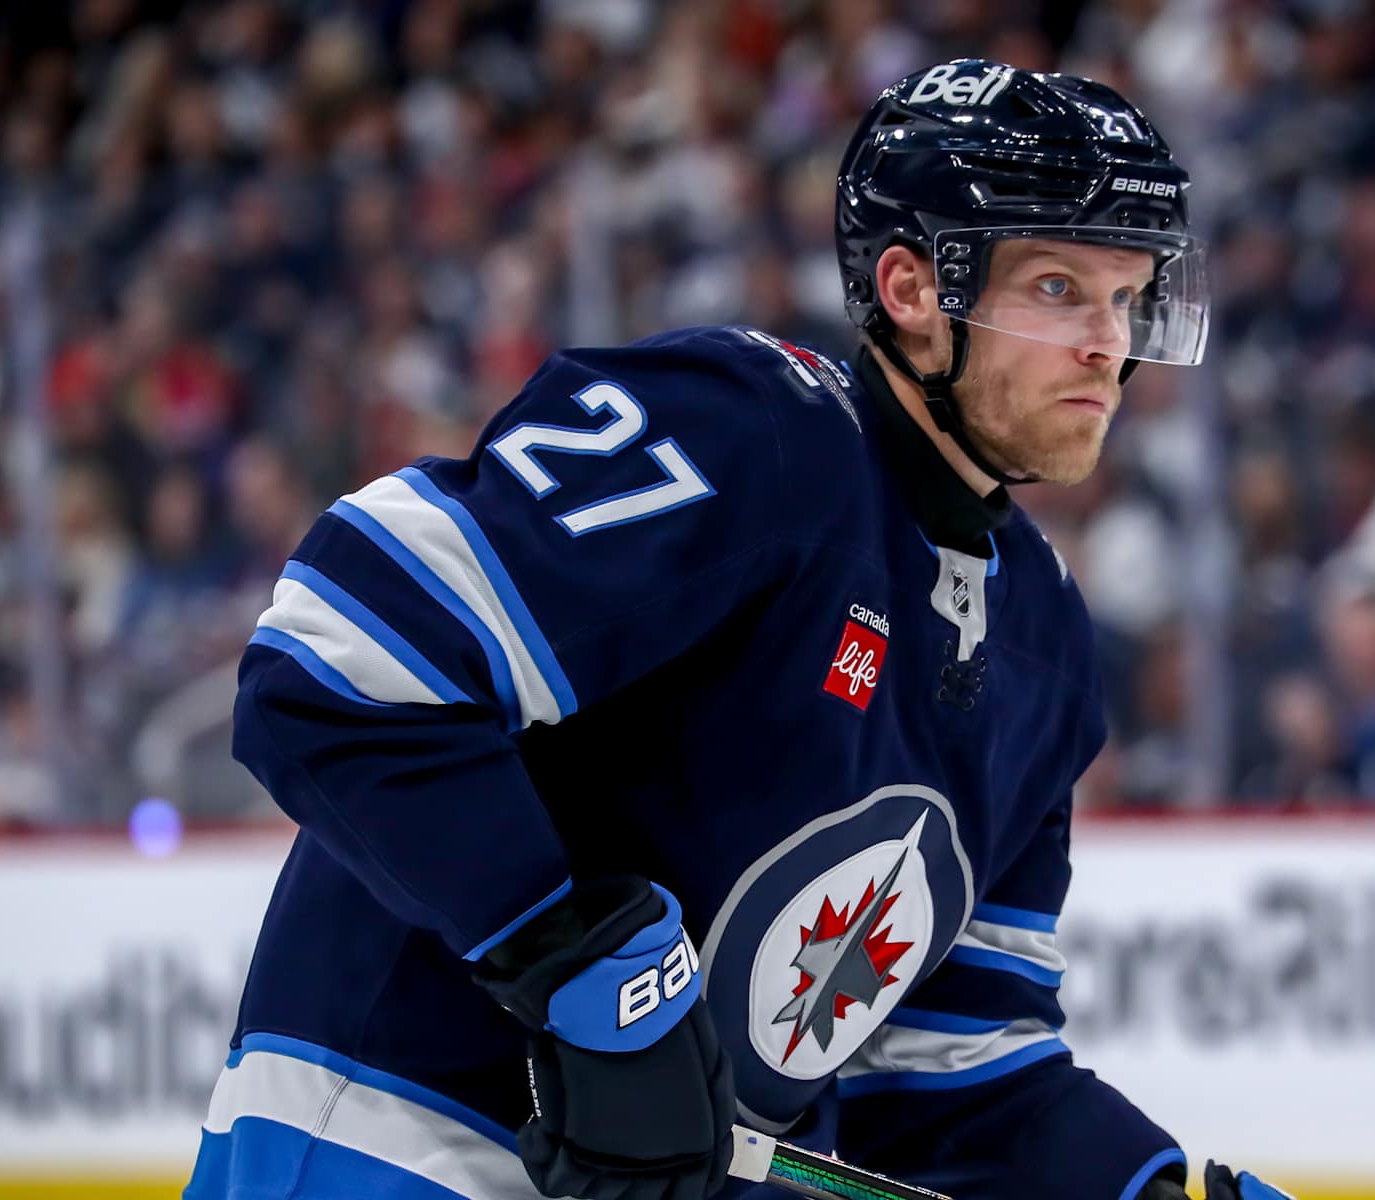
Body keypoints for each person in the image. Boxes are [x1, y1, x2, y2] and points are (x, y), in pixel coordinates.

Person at [184, 60, 1289, 1200]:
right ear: (913, 289)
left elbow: (954, 1079)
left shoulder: (1045, 648)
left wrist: (1146, 1192)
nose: (1109, 342)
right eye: (1059, 288)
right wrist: (579, 965)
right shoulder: (749, 434)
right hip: (398, 1146)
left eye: (1129, 296)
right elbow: (336, 659)